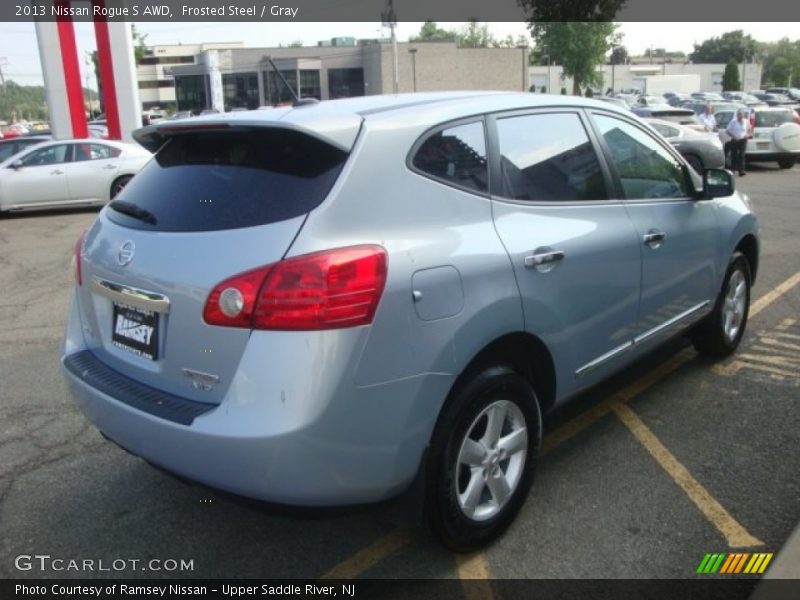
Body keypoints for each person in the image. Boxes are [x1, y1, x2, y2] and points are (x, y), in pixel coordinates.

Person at [726, 108, 751, 176]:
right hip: (735, 140)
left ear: (743, 115)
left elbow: (749, 130)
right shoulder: (733, 122)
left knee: (741, 155)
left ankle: (741, 170)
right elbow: (727, 130)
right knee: (734, 155)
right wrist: (734, 137)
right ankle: (733, 169)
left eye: (741, 114)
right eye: (739, 114)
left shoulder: (746, 121)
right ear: (737, 115)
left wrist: (747, 135)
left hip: (743, 140)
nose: (740, 116)